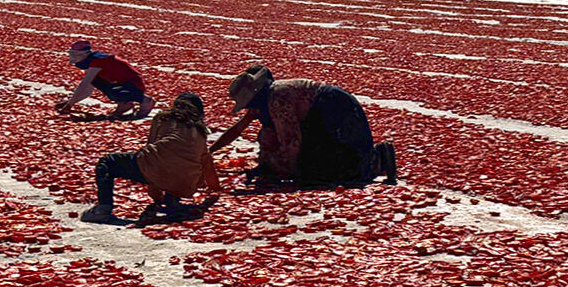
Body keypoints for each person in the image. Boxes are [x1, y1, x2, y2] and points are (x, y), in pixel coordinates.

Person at [211, 63, 392, 189]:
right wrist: (209, 151)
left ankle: (379, 158)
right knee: (314, 163)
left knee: (325, 170)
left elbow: (291, 142)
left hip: (334, 109)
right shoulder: (265, 100)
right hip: (323, 111)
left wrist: (283, 170)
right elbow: (236, 129)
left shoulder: (277, 100)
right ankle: (366, 160)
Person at [87, 91, 220, 223]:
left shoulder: (163, 117)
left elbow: (152, 154)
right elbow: (207, 163)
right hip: (186, 184)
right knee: (177, 164)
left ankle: (103, 208)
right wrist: (215, 190)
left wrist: (155, 192)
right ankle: (172, 198)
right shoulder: (200, 130)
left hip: (157, 169)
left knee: (108, 162)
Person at [54, 39, 151, 118]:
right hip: (120, 82)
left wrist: (69, 105)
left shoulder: (98, 61)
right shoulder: (93, 61)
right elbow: (88, 89)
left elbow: (84, 84)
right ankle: (125, 103)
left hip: (132, 84)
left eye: (76, 55)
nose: (74, 57)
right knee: (97, 81)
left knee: (106, 86)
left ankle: (145, 100)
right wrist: (71, 102)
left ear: (85, 54)